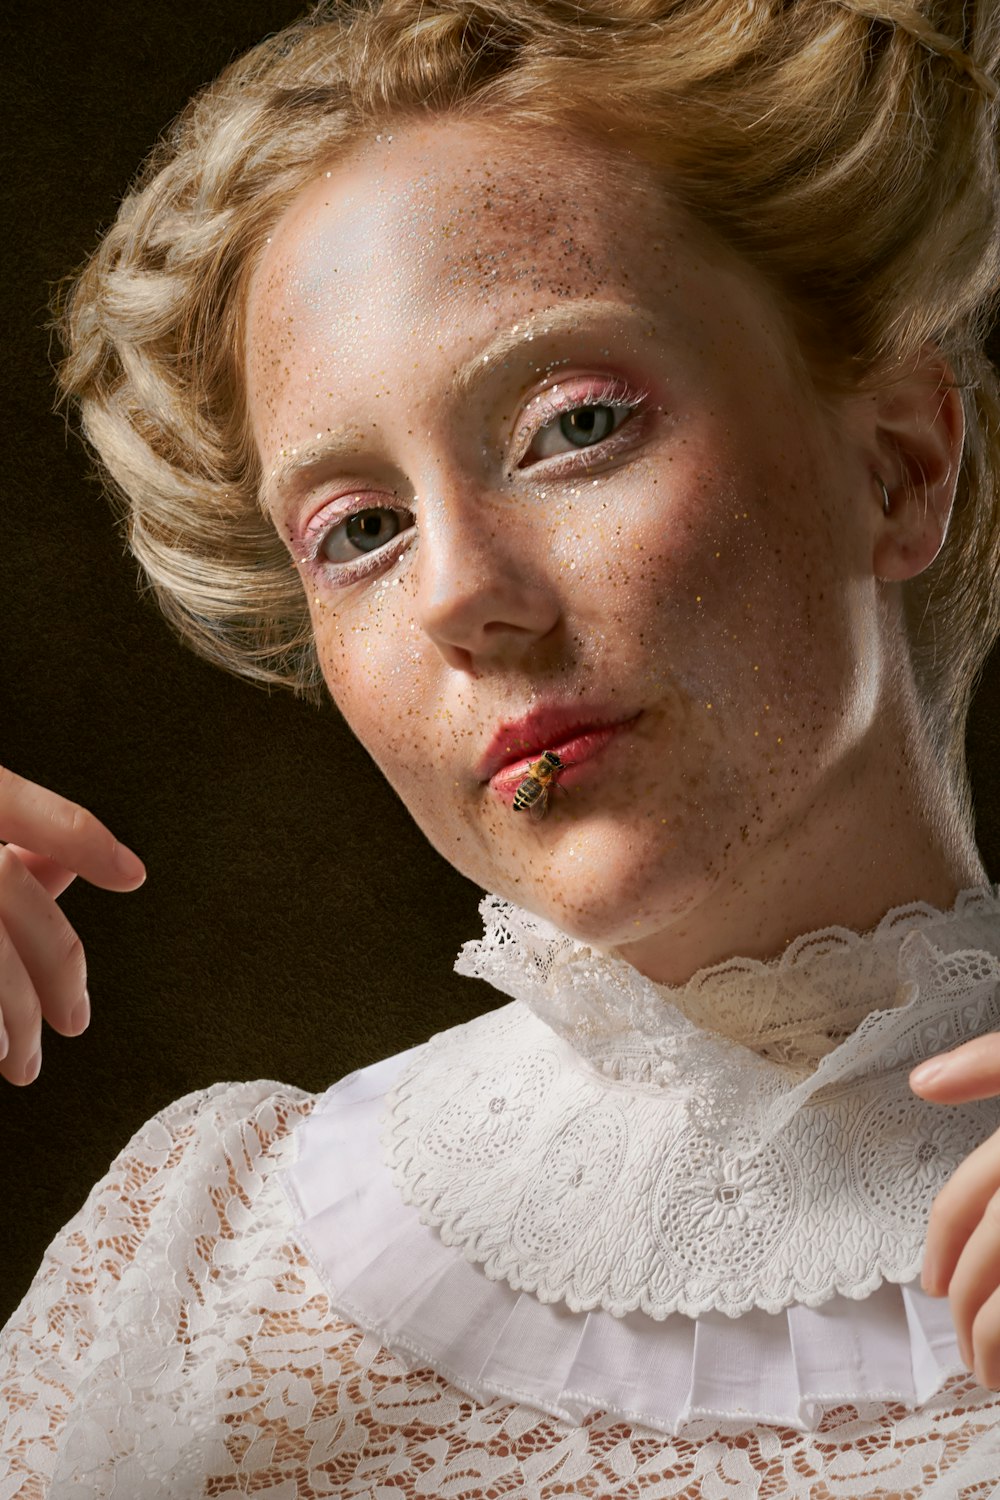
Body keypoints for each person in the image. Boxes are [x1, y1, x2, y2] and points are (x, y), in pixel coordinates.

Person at [3, 0, 1000, 1492]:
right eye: (361, 531)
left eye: (575, 424)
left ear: (899, 466)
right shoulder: (204, 1255)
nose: (462, 594)